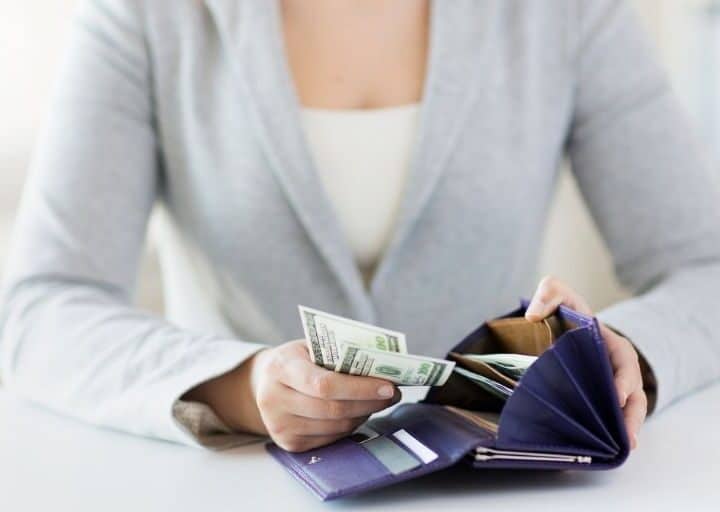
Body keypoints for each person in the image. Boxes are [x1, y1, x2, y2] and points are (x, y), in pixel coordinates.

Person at [1, 0, 719, 454]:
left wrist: (626, 355)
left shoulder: (569, 14)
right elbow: (41, 307)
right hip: (233, 490)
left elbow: (705, 268)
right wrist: (239, 387)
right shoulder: (144, 16)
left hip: (504, 485)